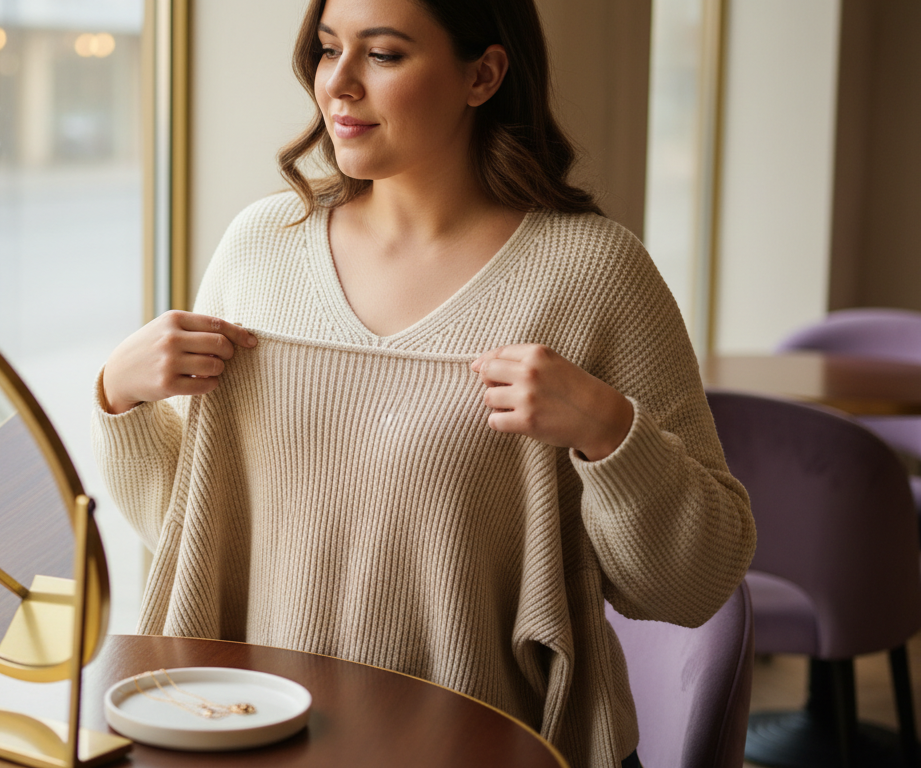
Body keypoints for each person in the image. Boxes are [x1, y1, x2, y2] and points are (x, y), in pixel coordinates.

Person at [92, 1, 756, 766]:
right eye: (327, 48)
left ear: (483, 74)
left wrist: (609, 433)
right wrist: (122, 398)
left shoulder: (595, 275)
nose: (336, 84)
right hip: (262, 741)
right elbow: (207, 533)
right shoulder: (258, 252)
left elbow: (694, 584)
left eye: (383, 55)